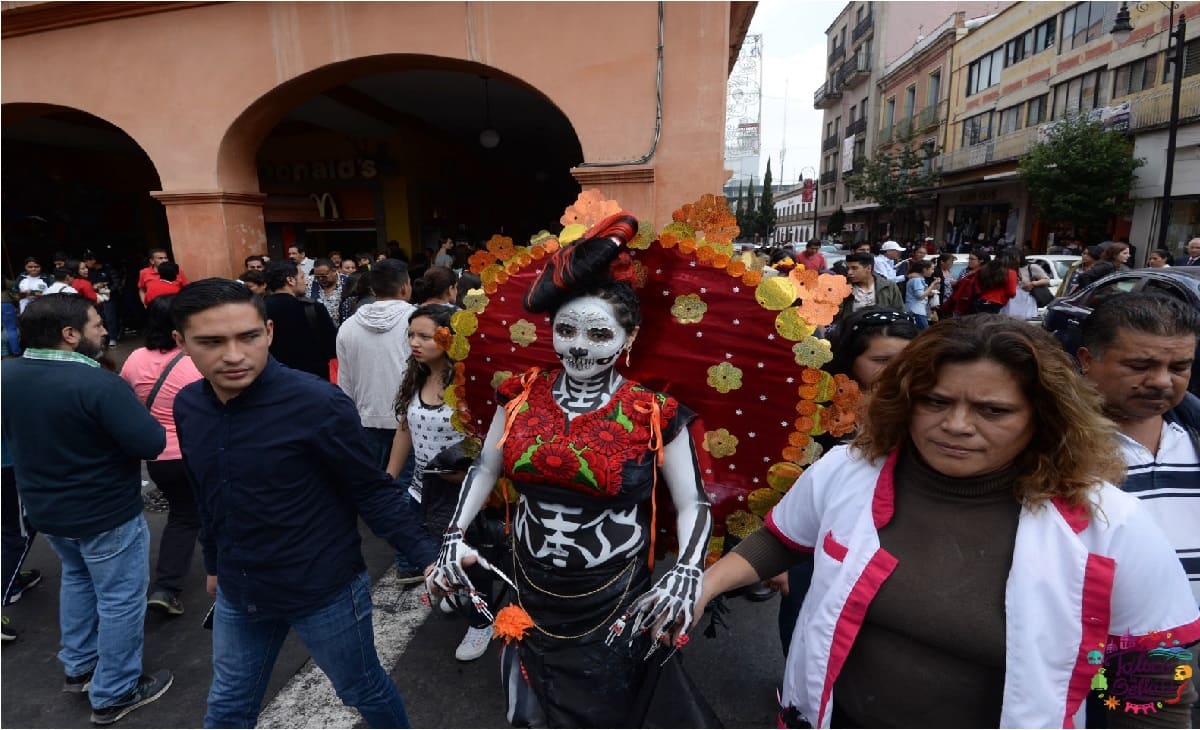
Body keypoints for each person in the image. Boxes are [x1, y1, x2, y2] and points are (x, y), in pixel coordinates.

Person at [695, 315, 1200, 728]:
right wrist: (702, 588)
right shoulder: (849, 469)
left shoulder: (1110, 524)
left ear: (1044, 417)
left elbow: (1155, 693)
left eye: (992, 410)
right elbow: (781, 541)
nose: (956, 425)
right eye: (935, 402)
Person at [427, 213, 714, 728]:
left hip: (615, 592)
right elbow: (487, 464)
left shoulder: (654, 411)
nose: (579, 346)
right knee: (529, 706)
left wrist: (687, 573)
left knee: (608, 708)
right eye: (566, 330)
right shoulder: (518, 395)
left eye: (599, 333)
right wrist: (453, 533)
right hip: (528, 580)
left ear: (628, 338)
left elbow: (694, 502)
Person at [170, 278, 438, 728]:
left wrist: (429, 557)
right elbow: (208, 492)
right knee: (227, 710)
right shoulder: (188, 406)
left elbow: (370, 489)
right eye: (212, 342)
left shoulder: (317, 402)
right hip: (241, 588)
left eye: (248, 337)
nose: (233, 355)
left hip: (322, 588)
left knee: (361, 688)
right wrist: (214, 563)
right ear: (181, 343)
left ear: (269, 332)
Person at [1, 294, 171, 724]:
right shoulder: (98, 384)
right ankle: (115, 690)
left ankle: (80, 667)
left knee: (78, 580)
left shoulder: (7, 374)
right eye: (97, 325)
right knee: (120, 598)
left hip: (46, 506)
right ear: (70, 334)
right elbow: (150, 442)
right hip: (104, 511)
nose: (105, 331)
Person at [773, 307, 919, 654]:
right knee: (804, 626)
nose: (896, 371)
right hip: (817, 541)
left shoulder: (927, 406)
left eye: (908, 358)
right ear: (850, 357)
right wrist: (777, 560)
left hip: (896, 541)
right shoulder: (813, 406)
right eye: (881, 359)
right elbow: (785, 481)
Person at [382, 304, 490, 660]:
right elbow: (404, 432)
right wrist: (388, 478)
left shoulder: (468, 382)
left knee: (470, 557)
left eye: (425, 336)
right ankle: (457, 593)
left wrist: (467, 473)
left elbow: (486, 439)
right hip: (421, 489)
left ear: (449, 338)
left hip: (464, 494)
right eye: (411, 335)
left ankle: (481, 622)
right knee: (437, 551)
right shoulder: (415, 376)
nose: (415, 342)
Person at [1078, 293, 1200, 603]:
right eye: (1139, 365)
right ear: (1087, 360)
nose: (1161, 381)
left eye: (1179, 367)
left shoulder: (1192, 436)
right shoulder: (1047, 446)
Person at [119, 296, 204, 616]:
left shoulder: (134, 358)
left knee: (183, 516)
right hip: (195, 450)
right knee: (216, 505)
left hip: (157, 456)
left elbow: (128, 402)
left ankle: (167, 588)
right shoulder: (194, 359)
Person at [263, 259, 336, 380]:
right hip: (314, 381)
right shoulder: (312, 308)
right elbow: (332, 348)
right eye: (302, 277)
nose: (306, 282)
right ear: (290, 280)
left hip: (273, 380)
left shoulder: (258, 310)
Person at [835, 252, 903, 323]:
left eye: (854, 268)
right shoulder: (843, 287)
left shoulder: (888, 287)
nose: (849, 272)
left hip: (882, 331)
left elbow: (899, 312)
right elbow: (836, 315)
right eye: (848, 268)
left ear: (868, 268)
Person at [971, 249, 1017, 314]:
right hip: (997, 303)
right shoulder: (1010, 272)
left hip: (979, 301)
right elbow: (1011, 292)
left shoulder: (984, 269)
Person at [307, 258, 349, 326]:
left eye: (324, 276)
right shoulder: (309, 282)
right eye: (317, 277)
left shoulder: (347, 282)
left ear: (334, 271)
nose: (320, 279)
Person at [903, 259, 938, 330]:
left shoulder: (918, 279)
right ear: (924, 269)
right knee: (924, 334)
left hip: (916, 310)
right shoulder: (917, 280)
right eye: (932, 269)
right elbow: (920, 296)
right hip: (916, 311)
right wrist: (933, 284)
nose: (933, 271)